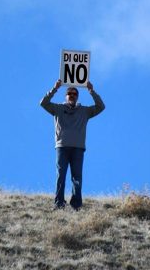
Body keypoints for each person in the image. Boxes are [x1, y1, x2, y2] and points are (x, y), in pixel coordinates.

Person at [40, 80, 105, 211]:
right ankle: (59, 203)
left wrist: (91, 91)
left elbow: (100, 106)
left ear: (77, 96)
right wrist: (55, 88)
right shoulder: (58, 108)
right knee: (61, 175)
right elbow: (43, 103)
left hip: (78, 148)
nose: (72, 95)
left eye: (74, 93)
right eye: (69, 93)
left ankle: (76, 205)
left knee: (77, 177)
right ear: (66, 96)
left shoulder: (84, 111)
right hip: (62, 147)